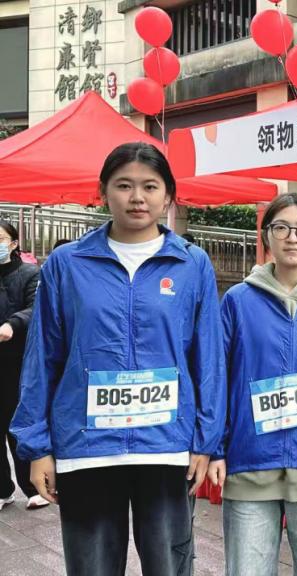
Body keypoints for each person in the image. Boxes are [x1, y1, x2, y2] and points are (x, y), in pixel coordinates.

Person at [11, 142, 225, 576]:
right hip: (87, 447)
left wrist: (208, 441)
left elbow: (209, 358)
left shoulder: (192, 264)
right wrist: (37, 447)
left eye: (150, 186)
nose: (137, 197)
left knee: (169, 566)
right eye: (124, 185)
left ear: (168, 195)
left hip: (166, 447)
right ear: (103, 191)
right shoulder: (67, 264)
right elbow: (43, 357)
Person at [208, 193, 297, 576]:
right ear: (266, 235)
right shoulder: (238, 301)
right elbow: (218, 376)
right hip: (250, 462)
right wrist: (215, 447)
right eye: (281, 227)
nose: (292, 237)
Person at [0, 221, 48, 510]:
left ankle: (33, 487)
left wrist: (12, 324)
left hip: (18, 361)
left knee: (18, 424)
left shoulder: (30, 273)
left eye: (1, 238)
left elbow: (36, 308)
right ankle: (3, 490)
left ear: (14, 243)